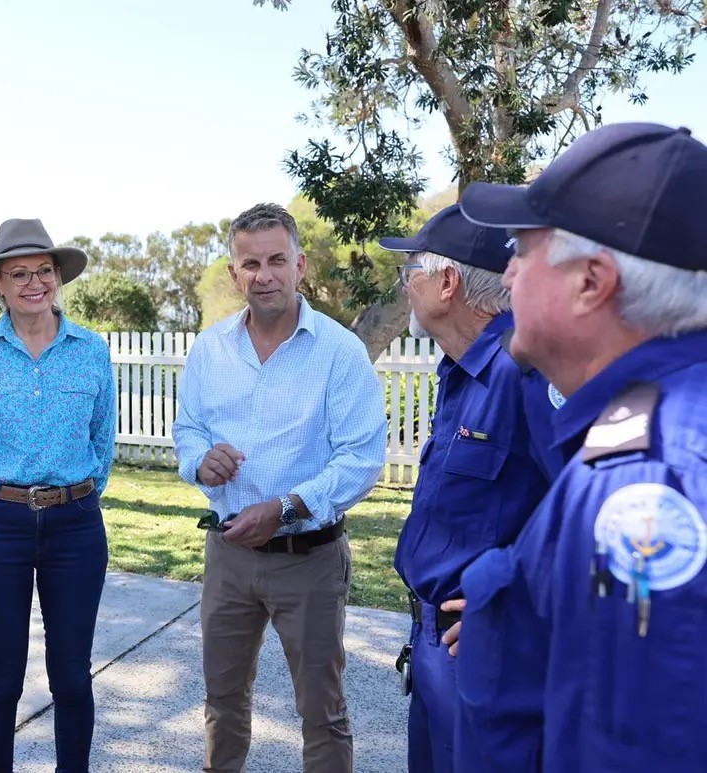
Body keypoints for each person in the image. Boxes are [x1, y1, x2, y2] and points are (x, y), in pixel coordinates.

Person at [452, 122, 707, 773]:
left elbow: (634, 747)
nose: (506, 273)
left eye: (521, 248)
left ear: (591, 281)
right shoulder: (644, 428)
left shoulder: (651, 476)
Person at [172, 203, 387, 773]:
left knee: (322, 713)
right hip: (227, 554)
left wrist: (287, 507)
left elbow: (362, 460)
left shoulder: (340, 353)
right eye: (250, 263)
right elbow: (188, 430)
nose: (263, 274)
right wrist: (200, 461)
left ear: (300, 265)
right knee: (222, 702)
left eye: (276, 261)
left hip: (308, 559)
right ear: (234, 272)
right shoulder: (210, 350)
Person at [378, 204, 562, 773]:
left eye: (411, 270)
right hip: (434, 642)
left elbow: (592, 515)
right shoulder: (458, 370)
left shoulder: (524, 372)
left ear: (447, 283)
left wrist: (519, 608)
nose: (405, 285)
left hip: (486, 650)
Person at [0, 218, 116, 773]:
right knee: (2, 679)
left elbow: (102, 439)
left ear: (58, 276)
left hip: (76, 528)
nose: (33, 283)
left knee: (71, 676)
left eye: (44, 271)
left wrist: (79, 496)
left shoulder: (91, 350)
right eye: (19, 273)